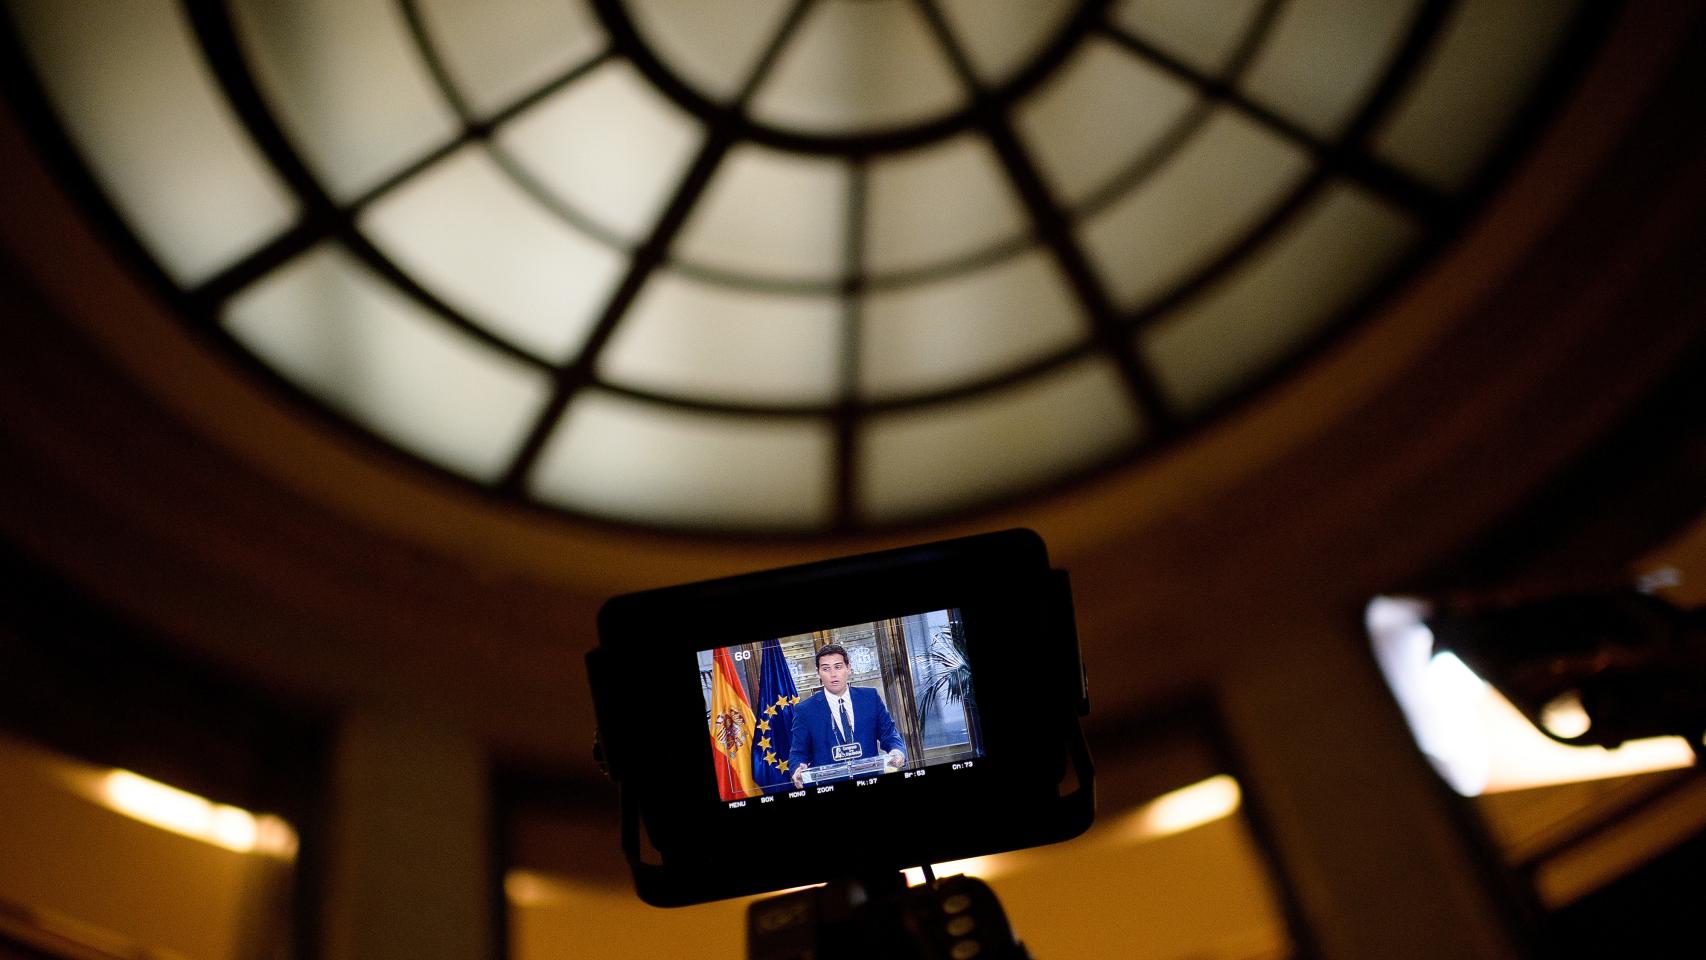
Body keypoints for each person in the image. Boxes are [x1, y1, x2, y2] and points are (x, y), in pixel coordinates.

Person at [788, 643, 905, 788]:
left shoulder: (870, 697)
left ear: (848, 668)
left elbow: (890, 735)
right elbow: (798, 753)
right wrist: (797, 769)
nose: (833, 674)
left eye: (838, 667)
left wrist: (897, 752)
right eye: (826, 669)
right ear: (818, 673)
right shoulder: (805, 710)